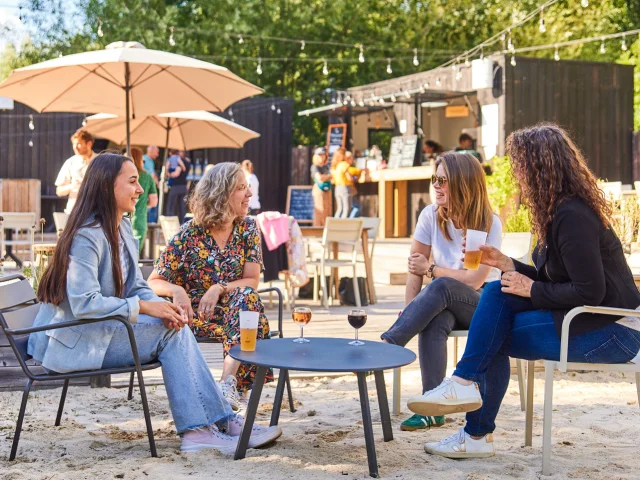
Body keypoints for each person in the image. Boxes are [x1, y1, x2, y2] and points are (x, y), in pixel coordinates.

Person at [410, 124, 640, 459]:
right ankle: (464, 390)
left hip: (613, 329)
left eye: (519, 165)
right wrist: (506, 263)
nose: (517, 175)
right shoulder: (556, 212)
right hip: (585, 318)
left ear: (539, 166)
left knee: (492, 334)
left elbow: (590, 290)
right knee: (497, 293)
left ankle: (473, 426)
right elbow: (554, 278)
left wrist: (531, 288)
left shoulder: (572, 215)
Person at [28, 152, 281, 454]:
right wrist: (148, 307)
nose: (140, 189)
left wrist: (166, 308)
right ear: (108, 186)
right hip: (76, 341)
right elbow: (84, 304)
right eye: (133, 182)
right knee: (170, 332)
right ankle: (201, 429)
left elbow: (135, 285)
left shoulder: (119, 227)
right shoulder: (88, 235)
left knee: (173, 323)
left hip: (100, 331)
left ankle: (218, 421)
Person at [381, 152, 502, 432]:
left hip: (485, 306)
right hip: (443, 302)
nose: (436, 185)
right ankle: (432, 409)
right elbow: (415, 267)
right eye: (434, 178)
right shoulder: (430, 215)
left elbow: (474, 280)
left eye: (443, 180)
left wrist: (432, 269)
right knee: (435, 317)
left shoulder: (488, 222)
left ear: (463, 183)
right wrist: (412, 311)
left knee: (442, 285)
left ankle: (389, 346)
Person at [147, 162, 272, 410]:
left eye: (248, 188)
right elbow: (152, 282)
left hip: (237, 312)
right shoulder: (189, 234)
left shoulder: (248, 228)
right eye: (241, 189)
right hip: (198, 318)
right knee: (251, 317)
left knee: (247, 298)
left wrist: (219, 287)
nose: (249, 194)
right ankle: (235, 389)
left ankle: (226, 384)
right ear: (221, 194)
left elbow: (252, 281)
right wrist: (177, 290)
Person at [55, 128, 97, 213]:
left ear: (89, 144)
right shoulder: (70, 162)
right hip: (75, 211)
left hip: (96, 211)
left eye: (78, 144)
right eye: (74, 144)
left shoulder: (100, 161)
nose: (75, 147)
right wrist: (73, 186)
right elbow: (59, 191)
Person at [129, 147, 158, 255]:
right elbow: (153, 201)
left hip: (121, 219)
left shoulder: (120, 176)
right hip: (139, 218)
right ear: (140, 160)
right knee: (133, 256)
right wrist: (142, 203)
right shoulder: (147, 177)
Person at [331, 148, 362, 218]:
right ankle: (343, 227)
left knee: (339, 209)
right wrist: (355, 178)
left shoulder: (335, 165)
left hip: (337, 188)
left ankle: (334, 225)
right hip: (345, 188)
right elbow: (349, 178)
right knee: (346, 209)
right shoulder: (344, 164)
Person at [165, 150, 191, 223]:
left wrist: (169, 174)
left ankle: (169, 223)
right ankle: (182, 223)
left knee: (171, 205)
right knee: (181, 207)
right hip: (184, 186)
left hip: (176, 186)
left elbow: (176, 173)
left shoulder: (178, 160)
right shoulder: (187, 161)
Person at [310, 147, 332, 227]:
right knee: (320, 210)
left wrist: (326, 177)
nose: (321, 157)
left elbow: (332, 176)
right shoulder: (315, 167)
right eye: (319, 155)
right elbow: (319, 178)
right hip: (319, 189)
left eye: (323, 155)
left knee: (327, 210)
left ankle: (325, 229)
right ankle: (317, 230)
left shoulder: (326, 167)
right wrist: (327, 176)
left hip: (327, 189)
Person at [143, 146, 160, 224]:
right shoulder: (145, 160)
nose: (157, 155)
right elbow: (152, 175)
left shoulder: (150, 161)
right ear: (151, 151)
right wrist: (158, 184)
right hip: (146, 189)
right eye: (157, 152)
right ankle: (150, 225)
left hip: (149, 188)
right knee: (152, 205)